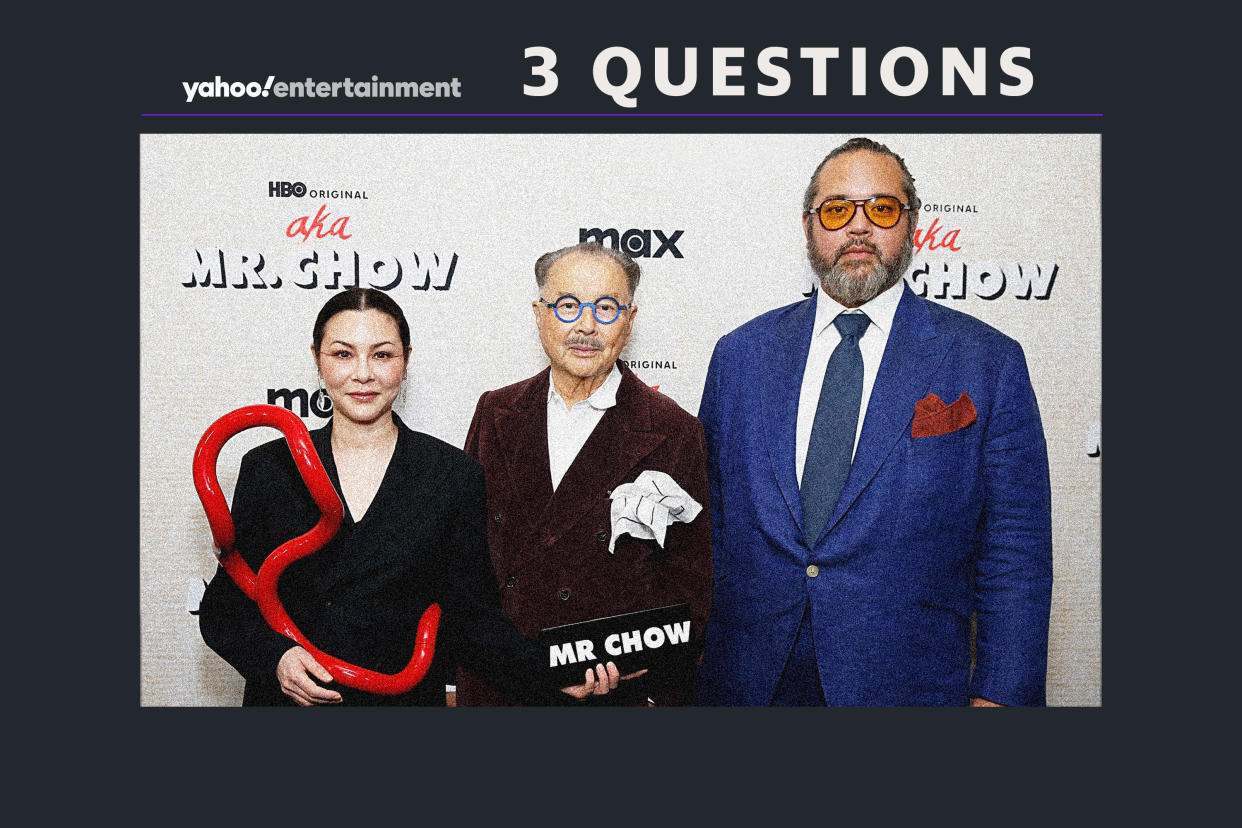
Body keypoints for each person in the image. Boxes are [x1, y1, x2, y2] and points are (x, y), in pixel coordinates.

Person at [695, 137, 1053, 706]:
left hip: (907, 685)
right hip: (746, 682)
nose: (858, 228)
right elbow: (706, 527)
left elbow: (1015, 550)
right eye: (838, 210)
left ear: (911, 225)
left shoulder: (987, 361)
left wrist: (1001, 697)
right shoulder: (741, 355)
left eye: (882, 208)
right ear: (810, 226)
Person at [199, 287, 629, 705]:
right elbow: (226, 607)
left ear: (406, 362)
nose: (363, 373)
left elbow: (472, 621)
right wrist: (275, 660)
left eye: (382, 354)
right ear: (317, 359)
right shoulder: (269, 466)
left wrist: (554, 676)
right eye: (343, 354)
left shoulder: (452, 475)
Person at [455, 242, 712, 706]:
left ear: (630, 320)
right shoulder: (496, 411)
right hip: (500, 687)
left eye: (607, 308)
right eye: (568, 306)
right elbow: (463, 563)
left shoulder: (673, 430)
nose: (586, 326)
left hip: (609, 696)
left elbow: (689, 585)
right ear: (540, 314)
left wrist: (635, 675)